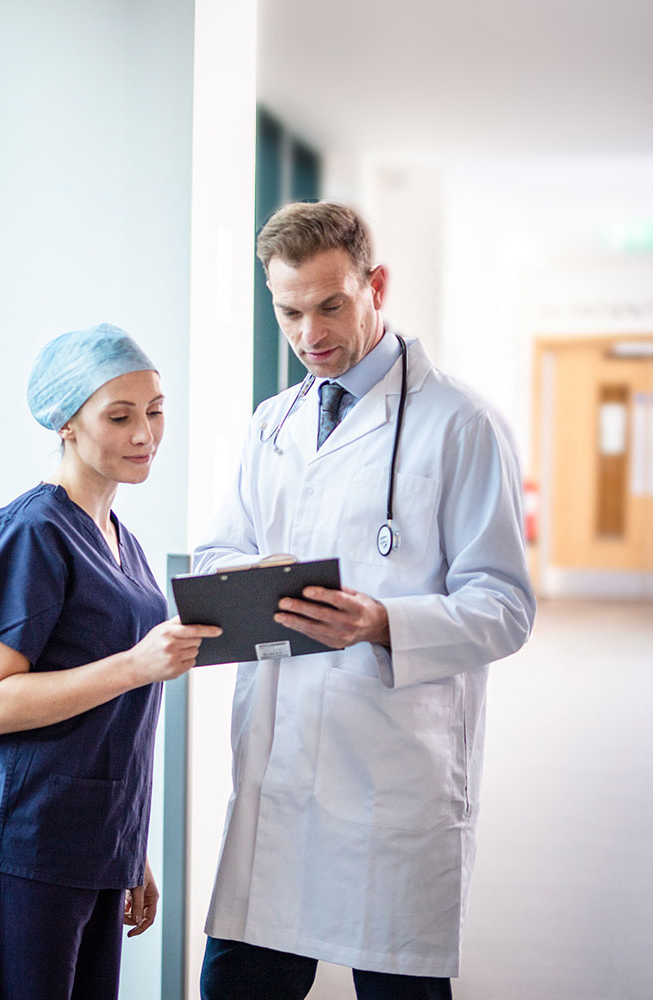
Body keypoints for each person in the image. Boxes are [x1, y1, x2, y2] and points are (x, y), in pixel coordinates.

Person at [194, 202, 535, 998]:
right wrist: (258, 573)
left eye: (330, 305)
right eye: (288, 311)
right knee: (238, 984)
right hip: (278, 767)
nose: (309, 333)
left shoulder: (460, 425)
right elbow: (216, 555)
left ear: (375, 285)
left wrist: (385, 622)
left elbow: (505, 605)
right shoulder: (271, 425)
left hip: (390, 772)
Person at [0, 324, 222, 1000]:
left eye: (155, 410)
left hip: (89, 847)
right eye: (119, 416)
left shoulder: (121, 538)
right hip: (18, 845)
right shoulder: (32, 532)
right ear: (65, 423)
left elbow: (112, 726)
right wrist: (138, 663)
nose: (145, 433)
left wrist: (126, 847)